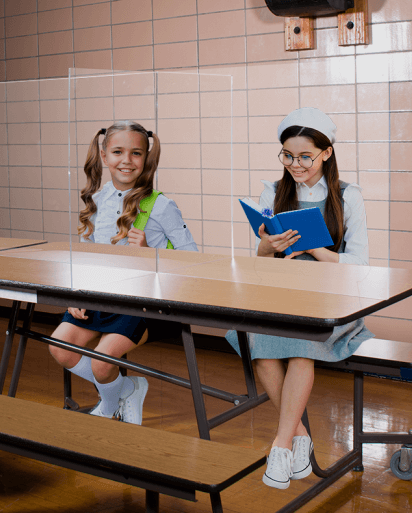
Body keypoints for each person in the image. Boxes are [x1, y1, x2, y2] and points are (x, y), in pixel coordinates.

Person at [226, 107, 373, 490]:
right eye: (287, 156)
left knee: (298, 347)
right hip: (283, 292)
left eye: (305, 156)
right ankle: (301, 438)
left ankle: (279, 444)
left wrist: (315, 246)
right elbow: (261, 260)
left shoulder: (348, 196)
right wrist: (266, 245)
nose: (295, 164)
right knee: (257, 341)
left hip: (331, 298)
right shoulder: (272, 191)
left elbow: (359, 263)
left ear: (326, 153)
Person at [49, 120, 198, 426]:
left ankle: (108, 403)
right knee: (59, 348)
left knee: (103, 364)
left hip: (144, 302)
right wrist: (74, 293)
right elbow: (84, 256)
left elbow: (193, 260)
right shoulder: (96, 200)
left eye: (136, 153)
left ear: (146, 158)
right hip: (101, 296)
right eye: (118, 152)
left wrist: (151, 255)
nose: (127, 161)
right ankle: (127, 389)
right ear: (104, 156)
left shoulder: (161, 206)